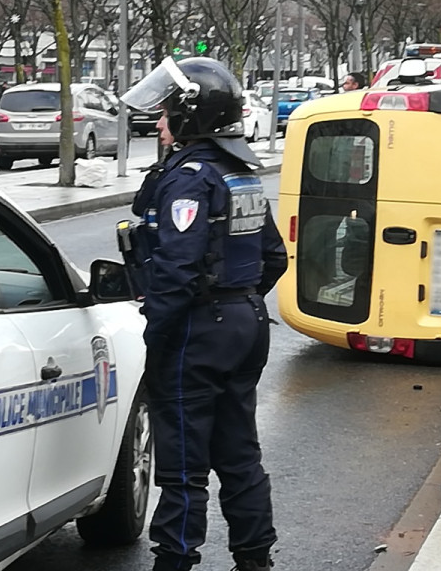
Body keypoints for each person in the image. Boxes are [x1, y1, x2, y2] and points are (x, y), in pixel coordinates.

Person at [121, 57, 287, 571]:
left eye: (168, 113)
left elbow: (176, 270)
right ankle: (255, 559)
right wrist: (237, 296)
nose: (161, 123)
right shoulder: (240, 172)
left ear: (191, 117)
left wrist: (155, 334)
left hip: (199, 329)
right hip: (246, 322)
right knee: (239, 456)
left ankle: (175, 559)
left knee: (184, 463)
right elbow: (274, 257)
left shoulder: (189, 179)